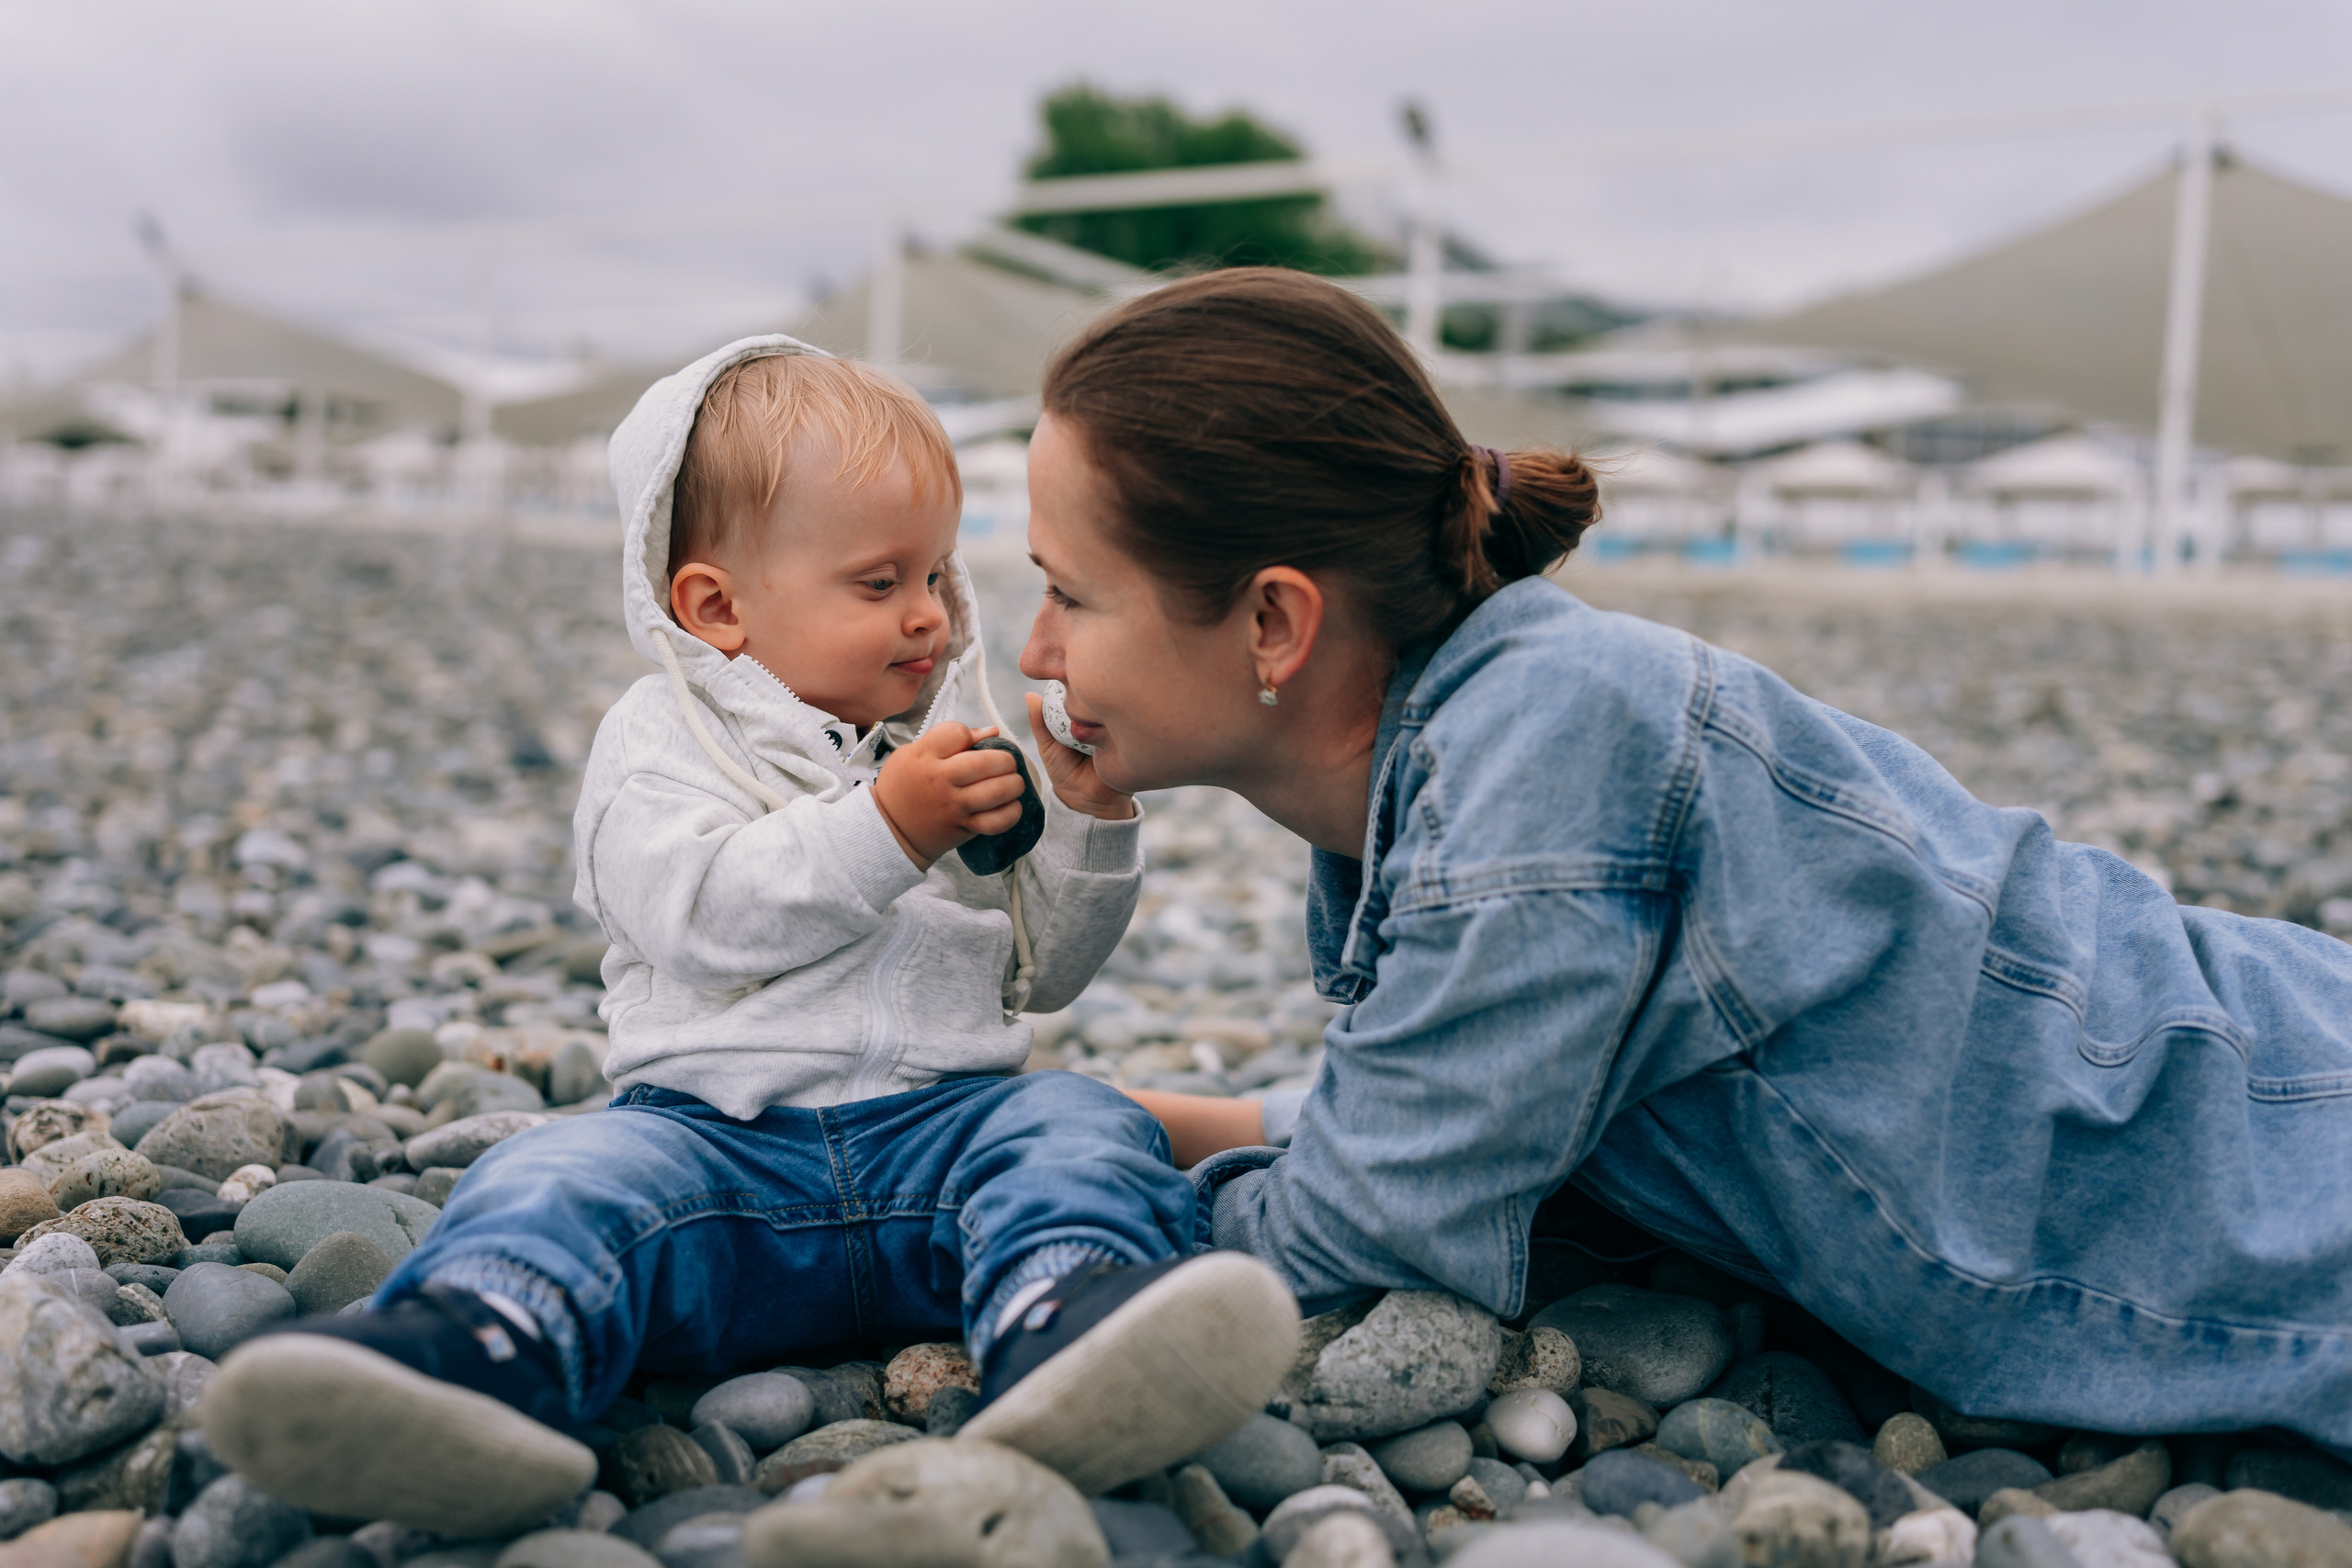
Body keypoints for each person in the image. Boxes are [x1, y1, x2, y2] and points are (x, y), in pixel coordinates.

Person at [1020, 268, 2352, 1452]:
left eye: (1068, 593)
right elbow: (1483, 1115)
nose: (1033, 652)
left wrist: (1003, 1199)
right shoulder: (1489, 733)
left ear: (1272, 621)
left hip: (2274, 1186)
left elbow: (1358, 1230)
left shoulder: (1536, 759)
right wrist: (1186, 1118)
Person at [200, 338, 1295, 1539]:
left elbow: (1045, 974)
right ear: (717, 606)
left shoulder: (931, 751)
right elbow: (706, 919)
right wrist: (888, 830)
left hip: (942, 1139)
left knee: (1078, 1121)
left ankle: (1066, 1319)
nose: (929, 616)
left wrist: (1085, 826)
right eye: (879, 583)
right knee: (558, 1173)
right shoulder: (658, 741)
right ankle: (473, 1352)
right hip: (716, 1155)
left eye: (936, 575)